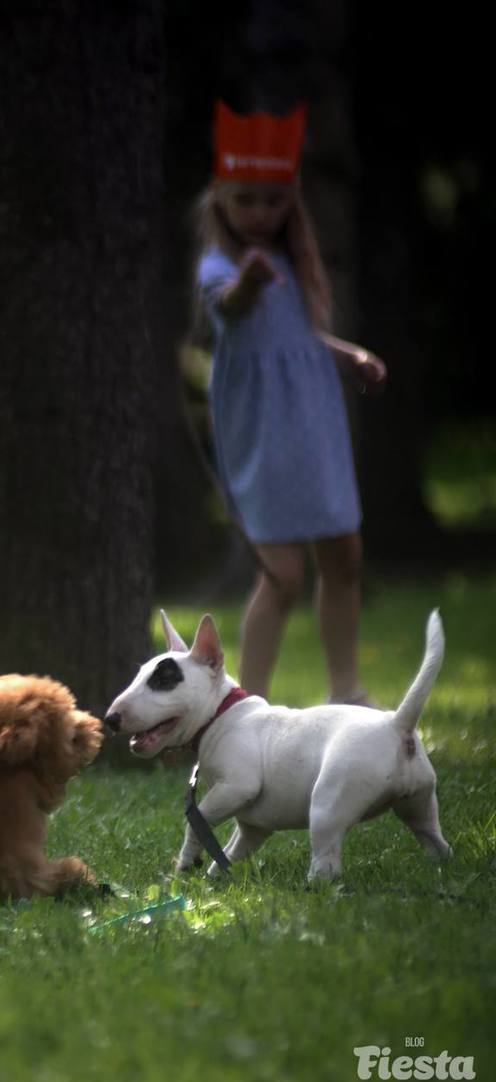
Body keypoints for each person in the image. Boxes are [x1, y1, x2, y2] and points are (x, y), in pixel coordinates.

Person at [195, 101, 386, 704]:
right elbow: (228, 308)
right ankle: (246, 702)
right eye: (244, 198)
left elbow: (297, 340)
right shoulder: (220, 265)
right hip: (263, 434)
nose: (258, 213)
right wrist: (245, 285)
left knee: (343, 555)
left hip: (314, 425)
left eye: (272, 200)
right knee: (283, 575)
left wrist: (347, 355)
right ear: (221, 196)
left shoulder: (291, 262)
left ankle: (346, 691)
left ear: (292, 199)